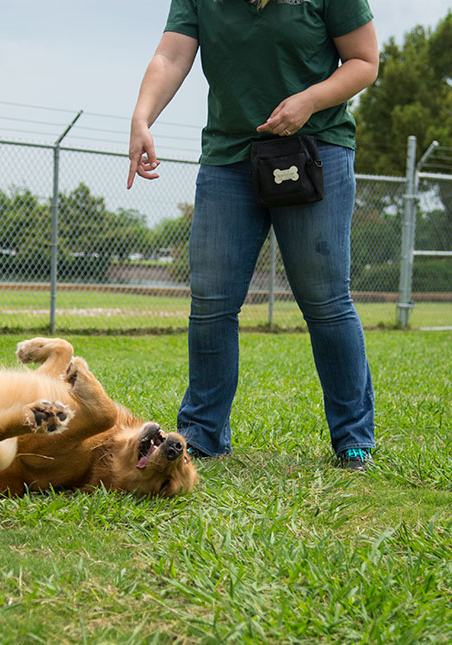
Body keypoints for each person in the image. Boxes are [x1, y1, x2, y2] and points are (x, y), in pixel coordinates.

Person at [126, 0, 379, 470]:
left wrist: (309, 100)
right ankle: (202, 433)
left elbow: (364, 62)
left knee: (325, 300)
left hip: (314, 149)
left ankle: (353, 439)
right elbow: (172, 56)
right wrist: (142, 118)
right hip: (230, 157)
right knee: (212, 302)